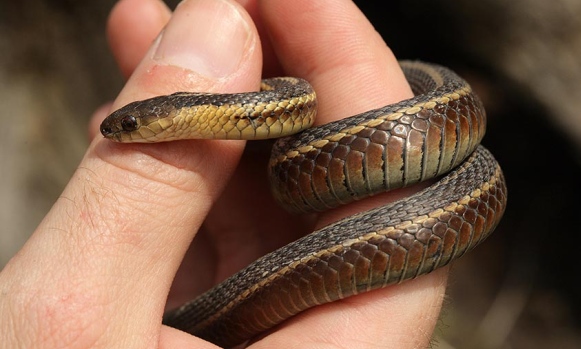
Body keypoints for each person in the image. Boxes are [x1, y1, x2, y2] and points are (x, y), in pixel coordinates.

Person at [0, 0, 449, 347]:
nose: (121, 134)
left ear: (173, 114)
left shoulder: (249, 104)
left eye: (133, 127)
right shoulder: (235, 112)